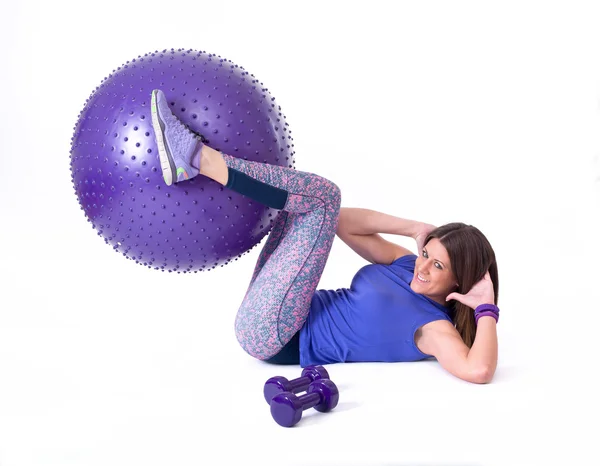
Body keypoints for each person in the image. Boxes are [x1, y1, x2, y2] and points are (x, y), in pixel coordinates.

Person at [150, 89, 500, 384]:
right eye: (427, 254)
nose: (423, 267)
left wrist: (486, 306)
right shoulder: (407, 266)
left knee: (323, 198)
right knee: (312, 204)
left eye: (438, 265)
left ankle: (195, 157)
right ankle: (195, 162)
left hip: (277, 337)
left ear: (461, 281)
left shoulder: (434, 328)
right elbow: (343, 222)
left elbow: (479, 369)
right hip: (276, 305)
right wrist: (413, 229)